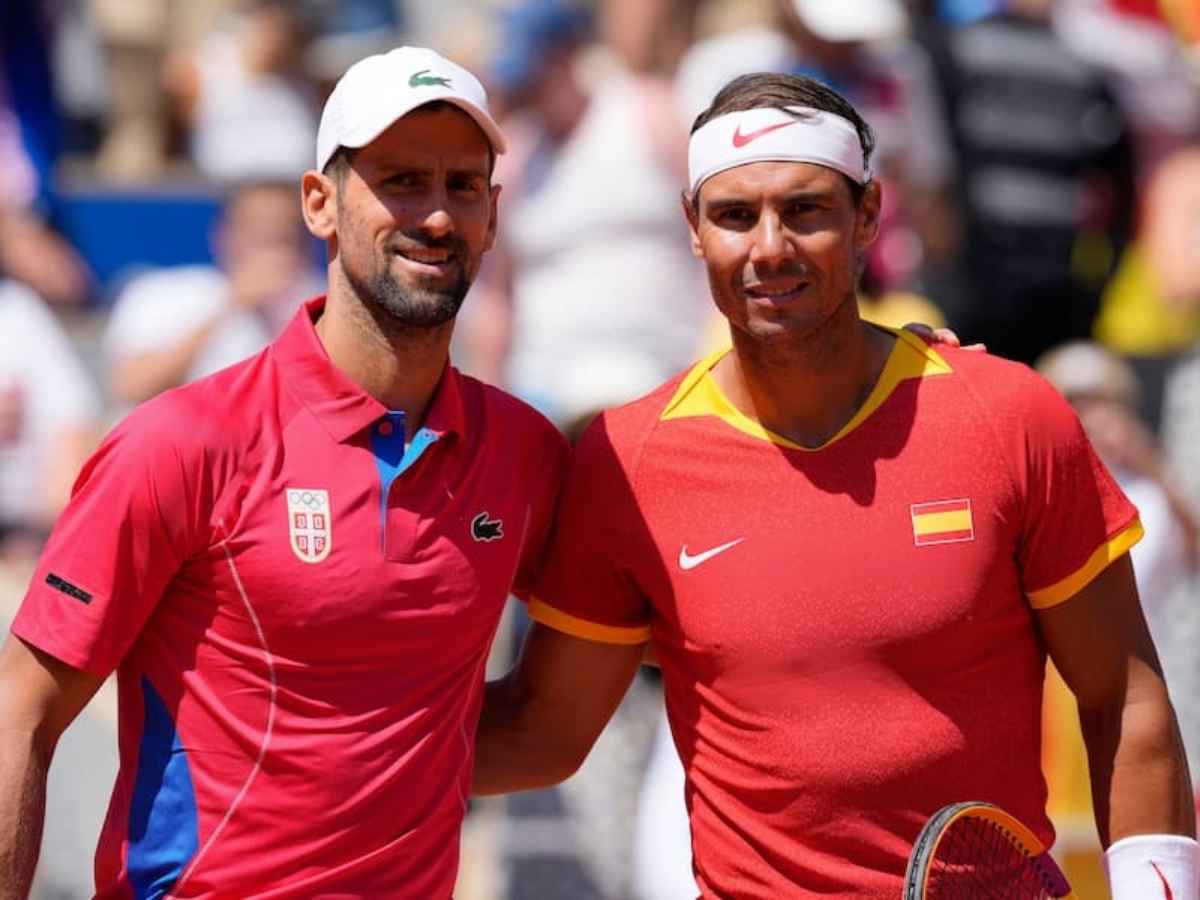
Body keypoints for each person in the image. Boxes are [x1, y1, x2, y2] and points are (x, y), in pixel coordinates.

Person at [474, 72, 1197, 899]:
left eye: (805, 209)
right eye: (734, 216)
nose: (769, 247)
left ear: (868, 215)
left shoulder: (1009, 416)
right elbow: (543, 734)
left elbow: (1124, 693)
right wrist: (345, 744)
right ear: (693, 228)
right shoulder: (629, 461)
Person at [0, 45, 568, 897]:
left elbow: (549, 733)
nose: (436, 215)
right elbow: (20, 715)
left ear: (492, 213)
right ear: (319, 203)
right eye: (401, 181)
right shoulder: (184, 442)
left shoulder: (524, 452)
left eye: (462, 186)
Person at [103, 179, 320, 411]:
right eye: (256, 231)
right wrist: (233, 305)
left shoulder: (322, 305)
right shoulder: (161, 293)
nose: (268, 247)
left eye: (282, 235)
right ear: (223, 235)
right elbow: (133, 386)